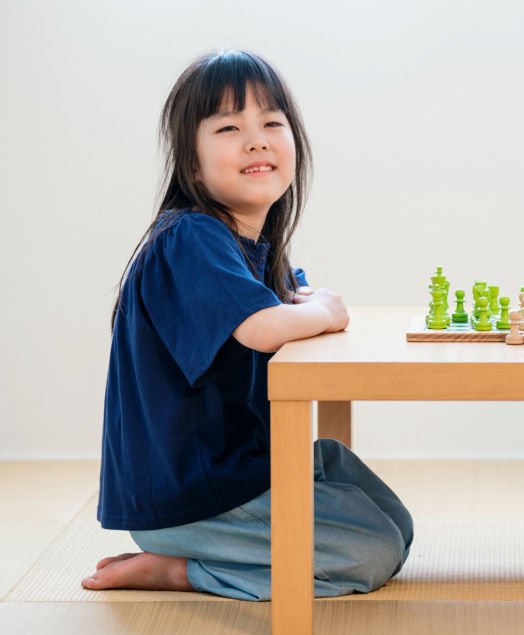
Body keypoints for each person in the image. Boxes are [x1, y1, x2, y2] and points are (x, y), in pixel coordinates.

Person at [82, 50, 413, 600]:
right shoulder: (190, 237)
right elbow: (264, 327)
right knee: (373, 550)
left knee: (391, 520)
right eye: (230, 127)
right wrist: (323, 310)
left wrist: (310, 307)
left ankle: (218, 550)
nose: (256, 140)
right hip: (194, 494)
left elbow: (292, 306)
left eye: (271, 123)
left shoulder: (253, 248)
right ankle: (177, 568)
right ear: (191, 162)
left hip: (243, 471)